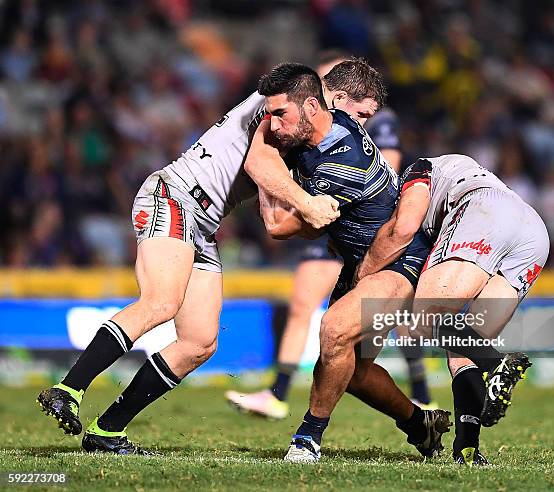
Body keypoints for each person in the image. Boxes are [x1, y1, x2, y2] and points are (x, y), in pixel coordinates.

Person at [36, 75, 343, 454]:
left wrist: (324, 218)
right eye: (359, 113)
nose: (275, 121)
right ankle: (69, 389)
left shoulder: (297, 143)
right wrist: (310, 204)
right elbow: (260, 163)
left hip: (202, 224)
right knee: (160, 302)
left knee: (199, 342)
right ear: (330, 100)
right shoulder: (277, 108)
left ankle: (108, 429)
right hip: (174, 196)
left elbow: (273, 220)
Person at [248, 63, 452, 464]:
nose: (275, 124)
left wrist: (261, 145)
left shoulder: (341, 161)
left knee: (333, 330)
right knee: (351, 370)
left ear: (312, 106)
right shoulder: (331, 120)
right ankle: (419, 424)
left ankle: (307, 438)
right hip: (360, 261)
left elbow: (280, 226)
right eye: (270, 115)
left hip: (398, 259)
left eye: (281, 115)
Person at [356, 154, 550, 464]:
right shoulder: (462, 169)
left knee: (423, 318)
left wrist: (364, 276)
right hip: (532, 231)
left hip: (484, 211)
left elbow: (405, 227)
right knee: (463, 347)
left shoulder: (415, 171)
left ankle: (495, 362)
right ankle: (468, 449)